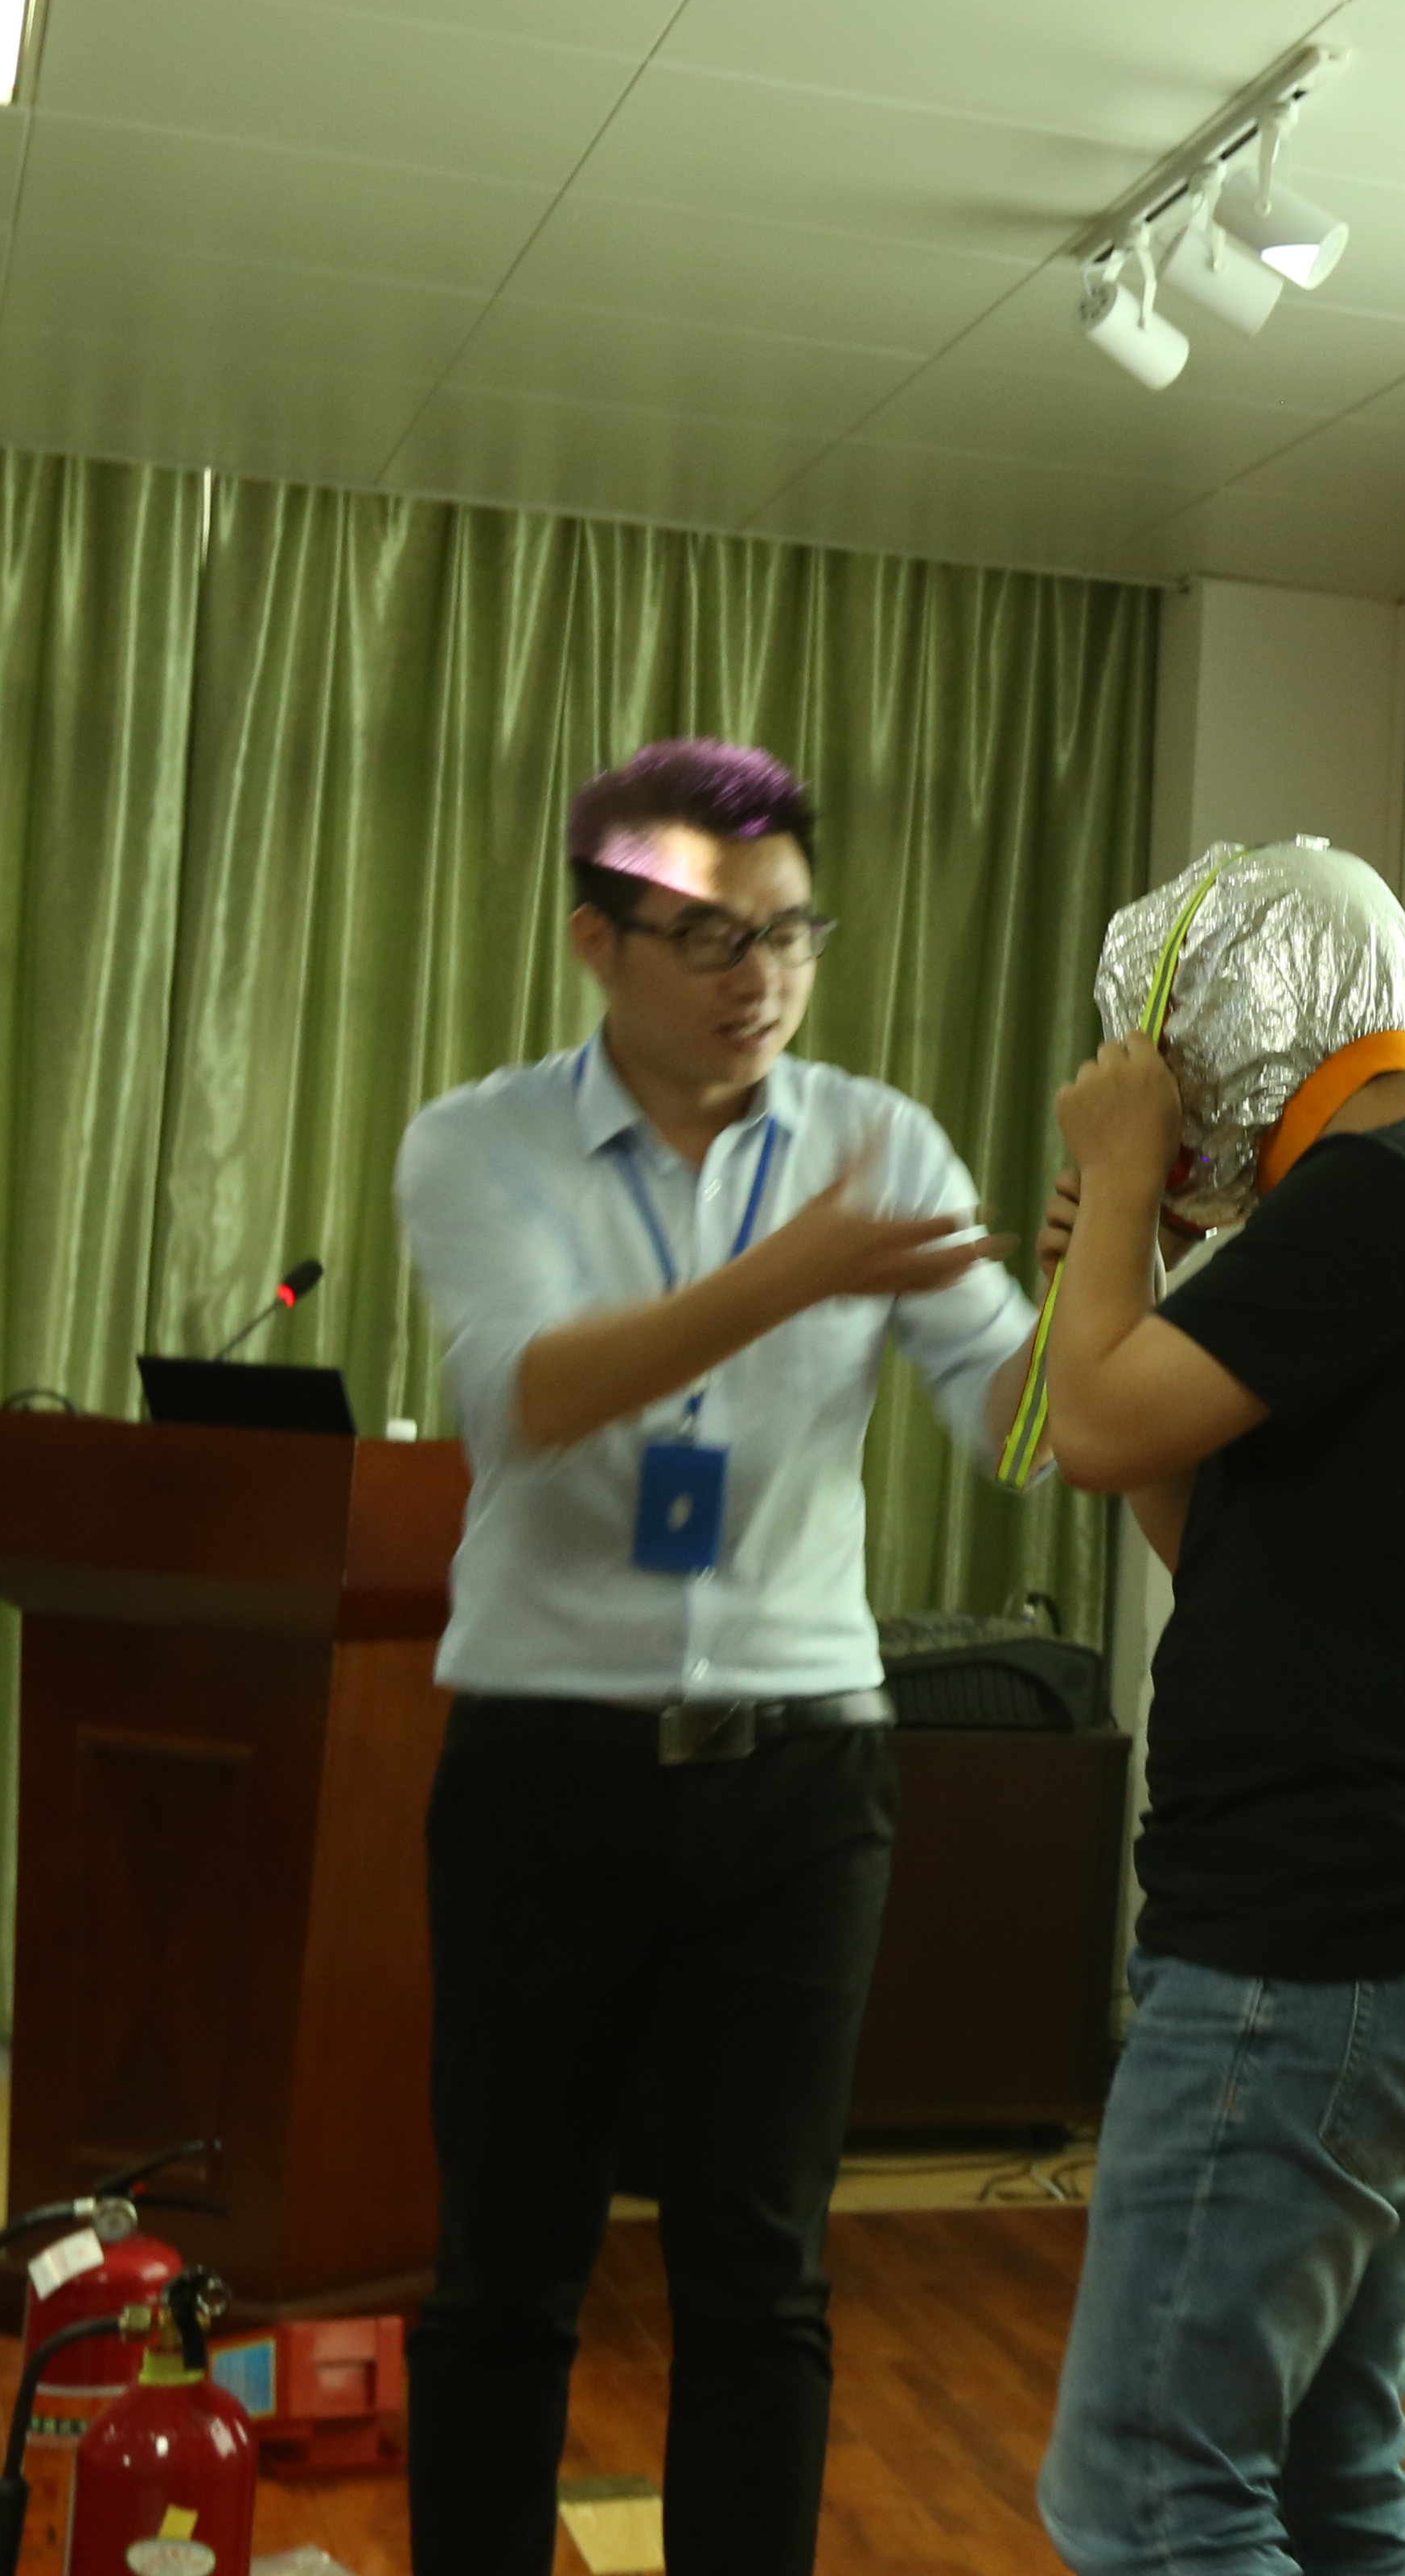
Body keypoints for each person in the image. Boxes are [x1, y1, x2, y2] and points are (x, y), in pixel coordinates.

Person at [389, 738, 1039, 2576]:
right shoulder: (480, 1143)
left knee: (762, 2280)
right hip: (547, 1762)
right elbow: (530, 1398)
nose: (763, 978)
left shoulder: (878, 1141)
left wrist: (1127, 1272)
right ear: (597, 943)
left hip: (800, 1771)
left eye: (792, 933)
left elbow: (1017, 1420)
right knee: (507, 2272)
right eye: (712, 939)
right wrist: (796, 1273)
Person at [1015, 839, 1405, 2576]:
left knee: (1148, 2495)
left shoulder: (1384, 1201)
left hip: (1311, 1956)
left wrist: (1124, 1181)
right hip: (1399, 1939)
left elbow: (1088, 1428)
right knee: (1329, 2480)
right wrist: (1114, 1273)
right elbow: (1214, 1541)